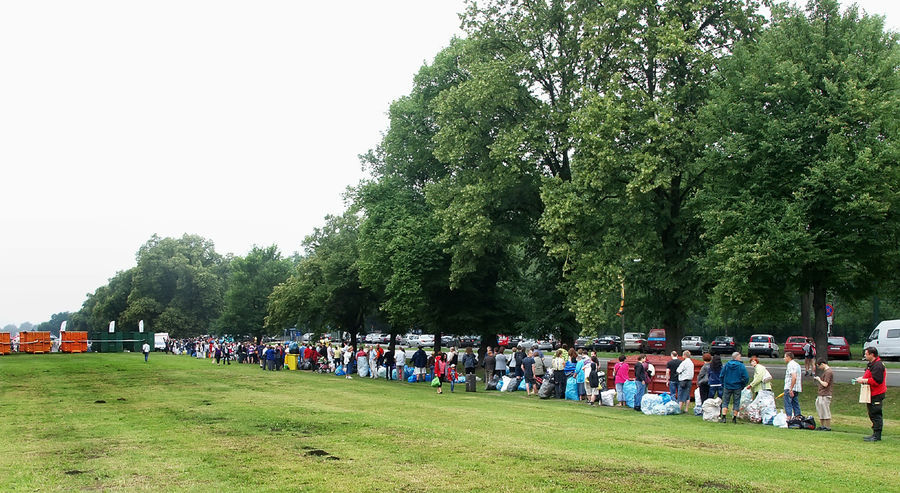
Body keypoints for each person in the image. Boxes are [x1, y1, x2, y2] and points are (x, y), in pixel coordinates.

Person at [855, 347, 887, 441]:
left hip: (877, 393)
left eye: (866, 354)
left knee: (876, 413)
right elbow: (870, 375)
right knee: (872, 413)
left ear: (872, 354)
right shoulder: (872, 364)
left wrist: (864, 380)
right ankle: (874, 433)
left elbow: (877, 381)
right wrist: (863, 378)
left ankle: (877, 435)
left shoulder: (878, 365)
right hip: (871, 393)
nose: (865, 356)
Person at [719, 352, 748, 423]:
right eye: (740, 357)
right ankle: (734, 418)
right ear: (737, 357)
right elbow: (746, 377)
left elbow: (721, 375)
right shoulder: (741, 366)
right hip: (737, 386)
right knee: (736, 402)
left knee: (725, 401)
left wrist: (723, 383)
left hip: (727, 385)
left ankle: (724, 417)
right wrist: (743, 384)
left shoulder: (727, 365)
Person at [813, 358, 833, 431]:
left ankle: (827, 427)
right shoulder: (825, 372)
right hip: (821, 394)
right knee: (820, 411)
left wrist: (819, 379)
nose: (819, 368)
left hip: (825, 394)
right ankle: (822, 426)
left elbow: (825, 384)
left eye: (819, 366)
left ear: (822, 364)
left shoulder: (828, 372)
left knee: (825, 410)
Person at [783, 352, 802, 419]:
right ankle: (798, 417)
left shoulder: (791, 365)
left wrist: (790, 389)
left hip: (790, 387)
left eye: (785, 357)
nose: (784, 358)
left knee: (788, 403)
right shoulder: (797, 364)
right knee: (795, 403)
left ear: (788, 357)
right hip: (797, 388)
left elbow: (794, 376)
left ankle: (789, 418)